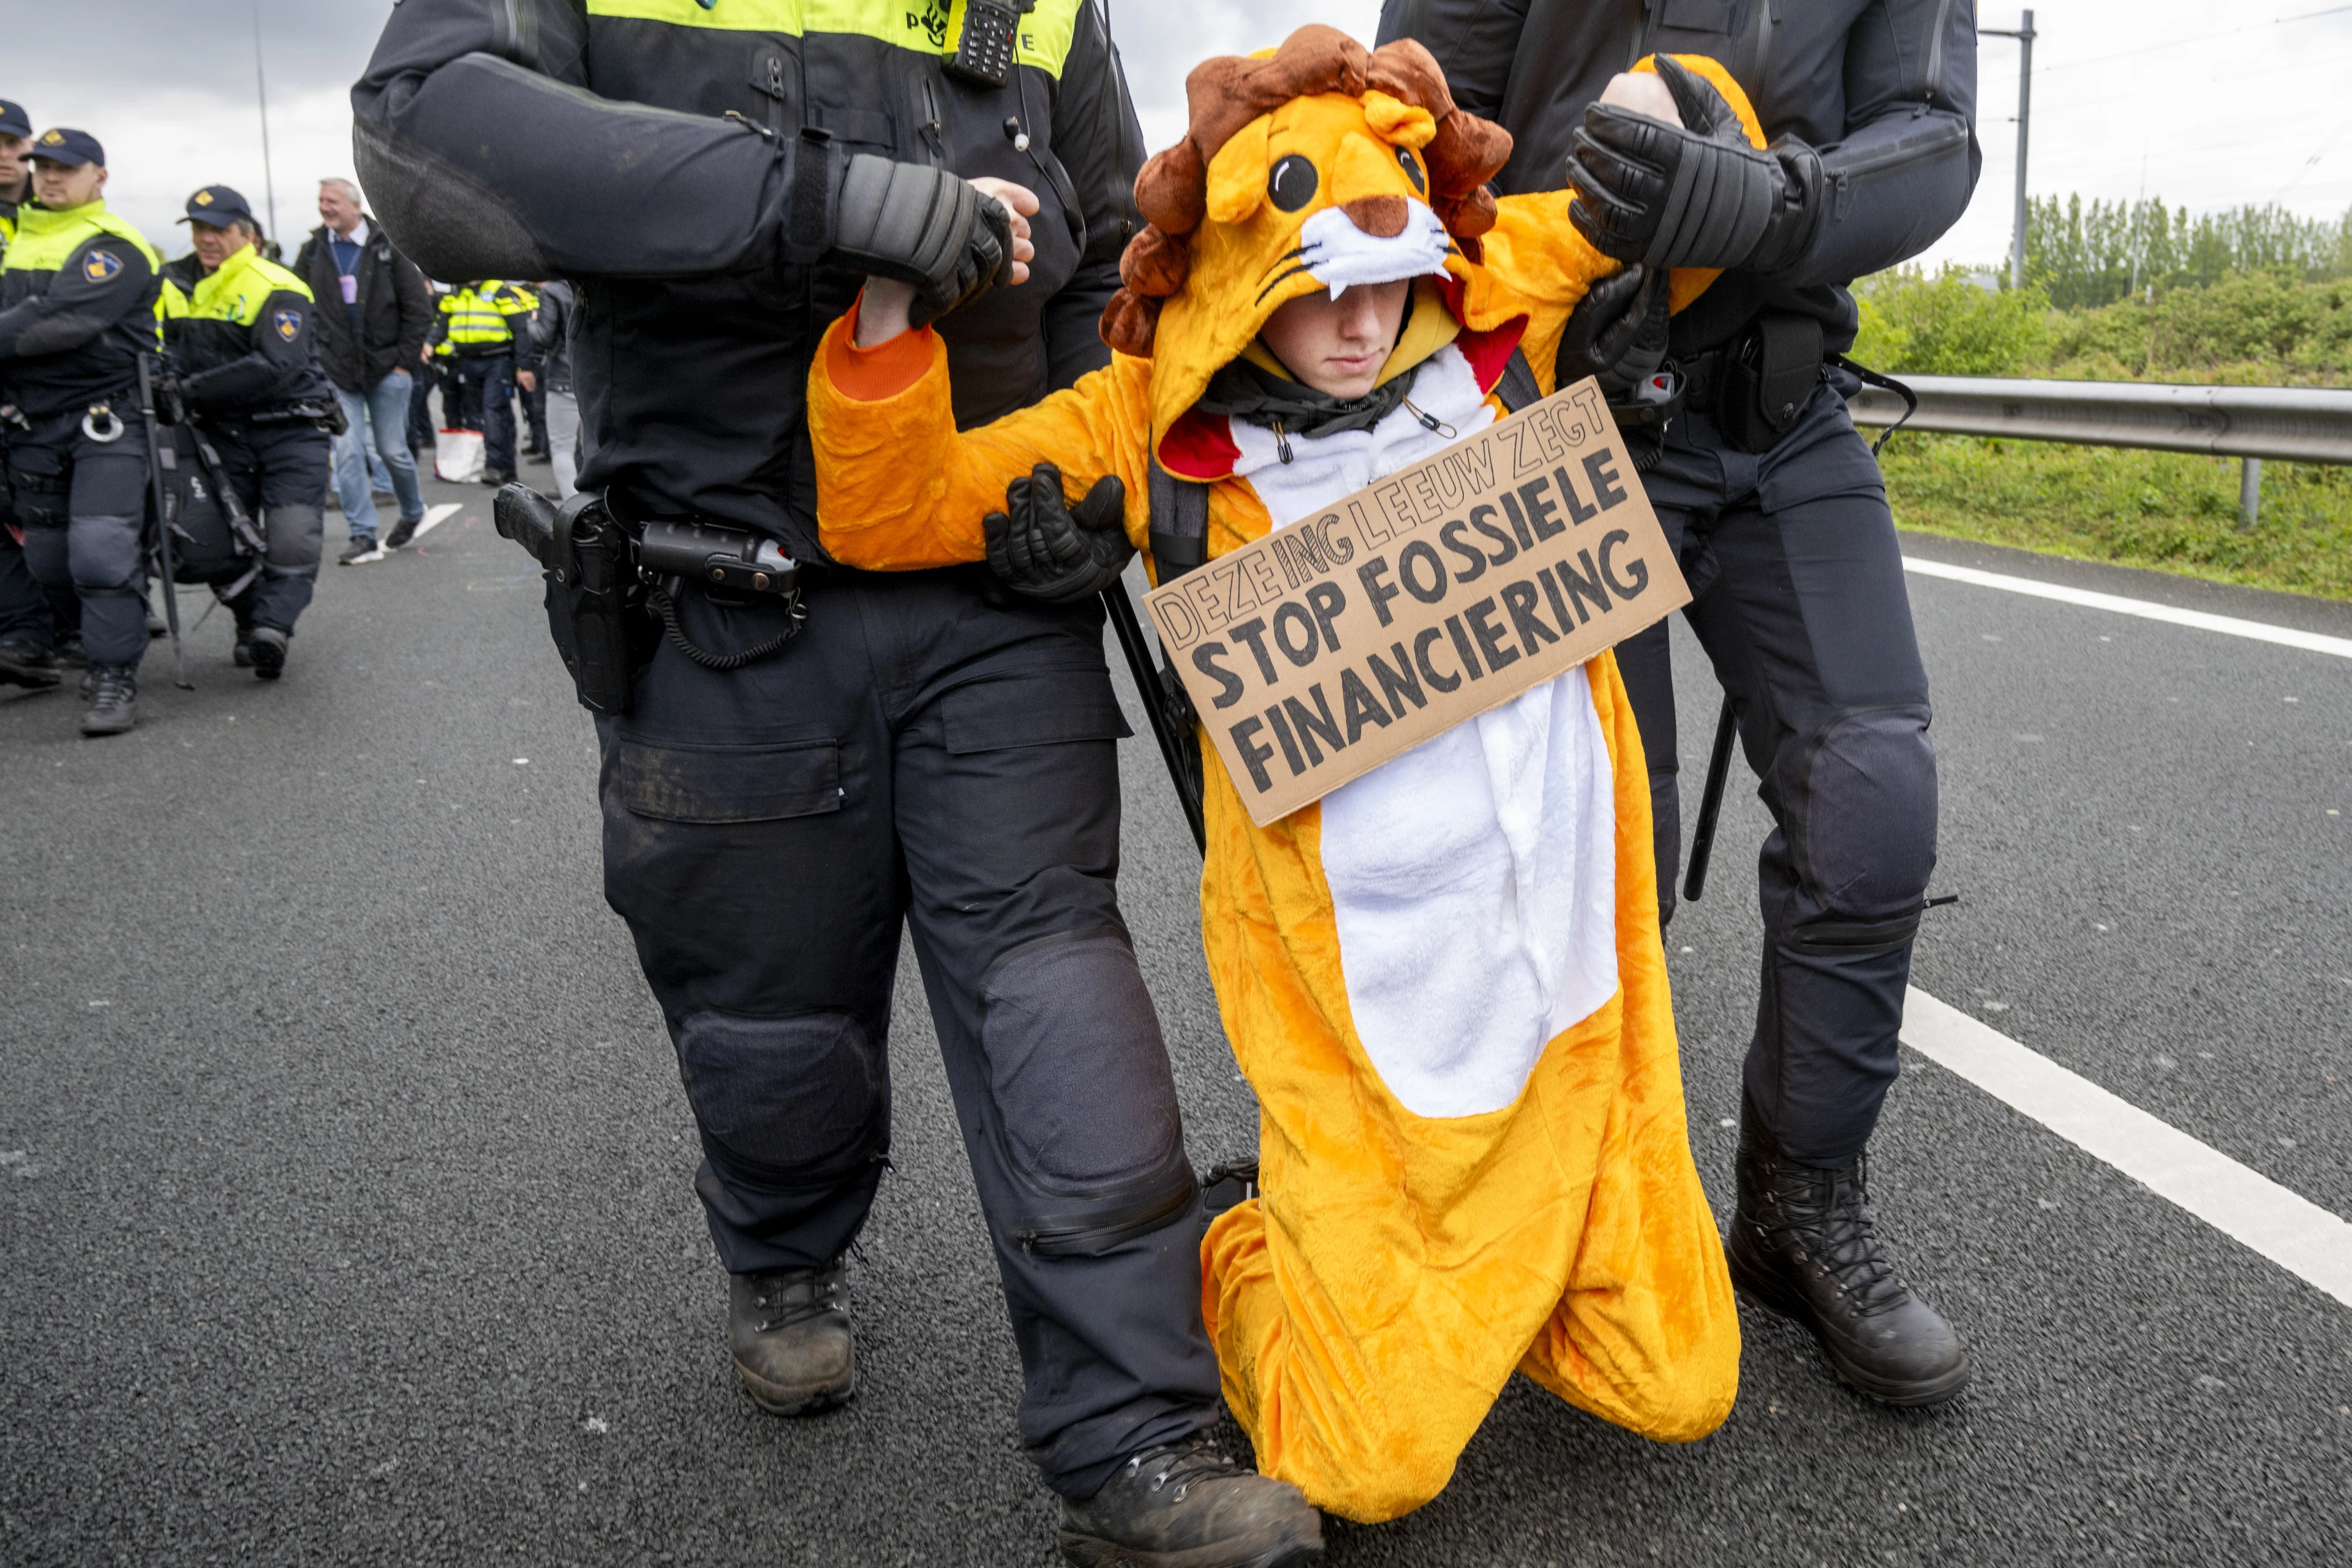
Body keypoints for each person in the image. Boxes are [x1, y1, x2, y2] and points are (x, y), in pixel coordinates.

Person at [354, 4, 1319, 1564]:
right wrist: (818, 196)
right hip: (723, 601)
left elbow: (1103, 279)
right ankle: (783, 1251)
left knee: (1055, 993)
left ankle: (1135, 1425)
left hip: (991, 598)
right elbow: (419, 136)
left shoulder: (1052, 12)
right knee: (771, 1032)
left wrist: (1095, 480)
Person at [806, 30, 1746, 1523]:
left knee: (1679, 1382)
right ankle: (1252, 1250)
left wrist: (1678, 98)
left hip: (1580, 1002)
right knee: (1360, 1467)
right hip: (1365, 1015)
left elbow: (1668, 195)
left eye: (1391, 281)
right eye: (1323, 291)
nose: (1366, 325)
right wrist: (890, 302)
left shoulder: (1499, 317)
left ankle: (1528, 1267)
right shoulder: (1150, 420)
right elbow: (886, 507)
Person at [1383, 0, 1980, 1406]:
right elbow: (1402, 129)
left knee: (1872, 806)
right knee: (1591, 855)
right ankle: (1542, 1229)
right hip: (1542, 416)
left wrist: (1774, 203)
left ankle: (1793, 1213)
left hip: (1778, 413)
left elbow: (1937, 137)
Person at [0, 129, 161, 734]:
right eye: (42, 165)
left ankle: (112, 674)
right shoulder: (17, 246)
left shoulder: (113, 245)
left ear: (100, 176)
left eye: (66, 168)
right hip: (33, 424)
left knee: (99, 551)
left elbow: (60, 324)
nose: (50, 176)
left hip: (105, 420)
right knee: (46, 559)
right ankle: (91, 639)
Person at [158, 185, 335, 680]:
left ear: (248, 234)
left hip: (290, 428)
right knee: (216, 540)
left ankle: (273, 627)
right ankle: (250, 621)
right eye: (198, 229)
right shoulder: (170, 284)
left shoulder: (278, 285)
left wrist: (188, 391)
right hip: (215, 434)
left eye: (218, 229)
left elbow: (275, 365)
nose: (206, 238)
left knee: (291, 538)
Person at [293, 176, 432, 564]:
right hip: (336, 372)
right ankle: (363, 535)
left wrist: (405, 363)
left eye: (333, 200)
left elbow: (418, 310)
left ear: (355, 206)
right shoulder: (312, 251)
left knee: (392, 451)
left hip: (388, 369)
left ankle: (412, 511)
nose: (325, 207)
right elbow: (298, 307)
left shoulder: (389, 247)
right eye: (321, 200)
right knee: (348, 451)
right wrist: (314, 361)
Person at [427, 278, 535, 484]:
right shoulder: (455, 294)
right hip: (467, 361)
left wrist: (524, 367)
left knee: (493, 412)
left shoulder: (499, 291)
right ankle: (495, 463)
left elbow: (521, 331)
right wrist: (430, 343)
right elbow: (441, 325)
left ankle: (497, 466)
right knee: (476, 413)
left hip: (498, 360)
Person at [516, 277, 579, 498]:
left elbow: (543, 336)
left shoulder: (551, 292)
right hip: (592, 377)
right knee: (588, 448)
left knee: (563, 448)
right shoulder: (583, 284)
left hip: (563, 377)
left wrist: (528, 320)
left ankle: (574, 508)